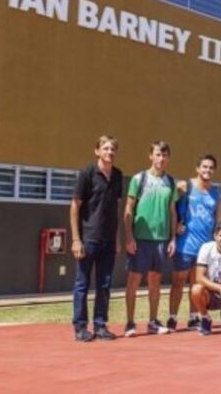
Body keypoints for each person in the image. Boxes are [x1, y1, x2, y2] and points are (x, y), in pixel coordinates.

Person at [69, 135, 123, 342]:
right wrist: (76, 240)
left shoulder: (117, 176)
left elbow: (116, 208)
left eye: (113, 149)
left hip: (108, 241)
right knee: (82, 284)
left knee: (104, 286)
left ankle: (100, 325)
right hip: (88, 239)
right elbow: (75, 206)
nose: (110, 152)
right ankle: (80, 327)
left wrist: (117, 239)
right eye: (106, 148)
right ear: (97, 151)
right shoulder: (87, 174)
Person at [123, 141, 178, 337]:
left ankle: (153, 322)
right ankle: (130, 323)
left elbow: (172, 212)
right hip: (140, 239)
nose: (161, 159)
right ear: (151, 156)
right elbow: (128, 209)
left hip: (161, 240)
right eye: (158, 154)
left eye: (164, 155)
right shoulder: (139, 179)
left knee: (155, 281)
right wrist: (129, 237)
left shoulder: (170, 182)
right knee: (134, 281)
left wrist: (172, 239)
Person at [168, 154, 221, 332]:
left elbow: (218, 218)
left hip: (205, 246)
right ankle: (172, 317)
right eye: (204, 167)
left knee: (197, 283)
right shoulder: (185, 186)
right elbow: (170, 206)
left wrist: (219, 239)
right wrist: (176, 225)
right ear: (197, 168)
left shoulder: (216, 193)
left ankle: (193, 317)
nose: (207, 170)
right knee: (178, 282)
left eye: (211, 168)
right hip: (185, 243)